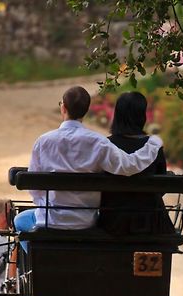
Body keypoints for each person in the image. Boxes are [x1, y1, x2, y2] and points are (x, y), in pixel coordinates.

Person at [14, 85, 164, 235]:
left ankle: (35, 256)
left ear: (63, 108)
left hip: (50, 220)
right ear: (85, 110)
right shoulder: (98, 142)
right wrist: (153, 144)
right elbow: (129, 166)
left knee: (19, 221)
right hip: (85, 222)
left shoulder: (43, 141)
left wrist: (46, 207)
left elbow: (35, 189)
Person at [98, 91, 175, 235]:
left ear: (118, 115)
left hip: (111, 222)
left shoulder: (105, 146)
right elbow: (161, 187)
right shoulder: (154, 148)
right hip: (150, 223)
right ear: (142, 116)